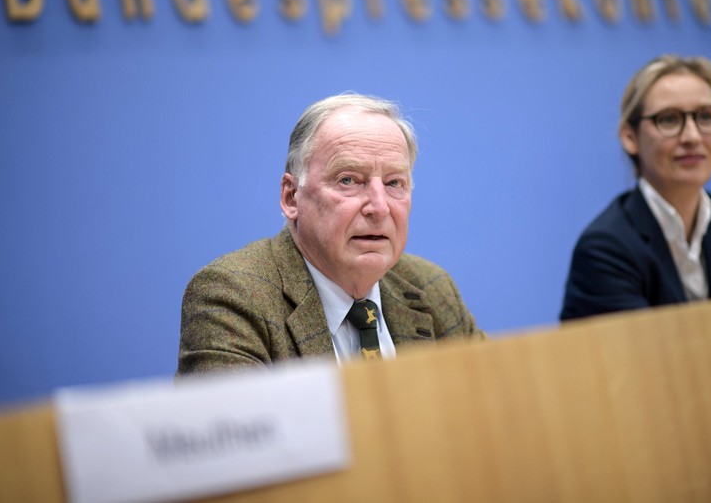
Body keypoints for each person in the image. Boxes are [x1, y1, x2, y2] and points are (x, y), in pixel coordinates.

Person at [178, 92, 485, 374]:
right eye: (348, 180)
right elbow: (240, 430)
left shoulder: (433, 290)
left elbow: (494, 414)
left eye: (394, 183)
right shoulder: (234, 298)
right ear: (291, 197)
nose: (379, 207)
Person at [561, 54, 711, 320]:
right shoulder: (605, 248)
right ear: (630, 137)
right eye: (669, 120)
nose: (692, 137)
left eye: (705, 117)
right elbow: (647, 359)